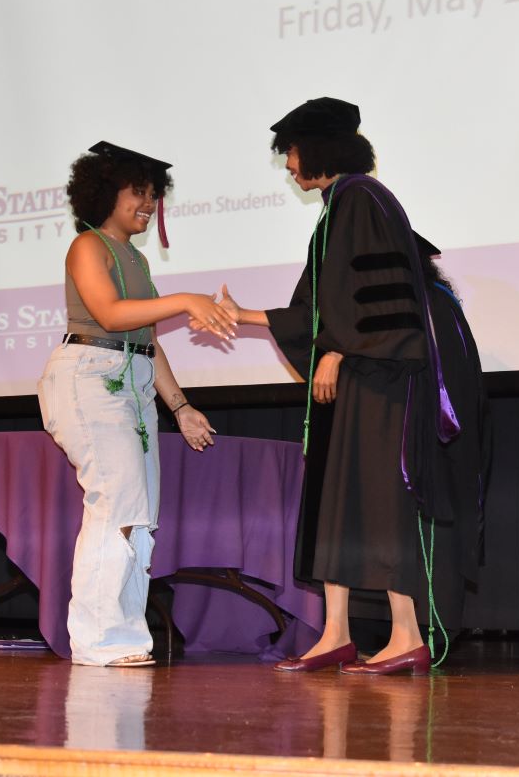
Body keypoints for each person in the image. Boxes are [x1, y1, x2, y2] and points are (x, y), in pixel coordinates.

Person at [216, 98, 491, 676]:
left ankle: (406, 636)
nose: (288, 165)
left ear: (318, 148)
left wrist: (340, 347)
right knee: (340, 500)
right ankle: (336, 633)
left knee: (383, 500)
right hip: (365, 372)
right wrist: (244, 316)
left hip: (386, 375)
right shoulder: (339, 205)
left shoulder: (362, 198)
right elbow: (321, 306)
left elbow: (377, 306)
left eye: (291, 152)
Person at [38, 141, 236, 667]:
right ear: (105, 193)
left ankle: (124, 636)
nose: (149, 204)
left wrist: (181, 407)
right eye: (138, 193)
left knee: (139, 515)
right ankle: (98, 639)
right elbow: (107, 314)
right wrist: (186, 300)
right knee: (118, 504)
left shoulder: (137, 257)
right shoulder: (88, 245)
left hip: (132, 380)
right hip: (89, 377)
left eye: (154, 195)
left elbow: (146, 339)